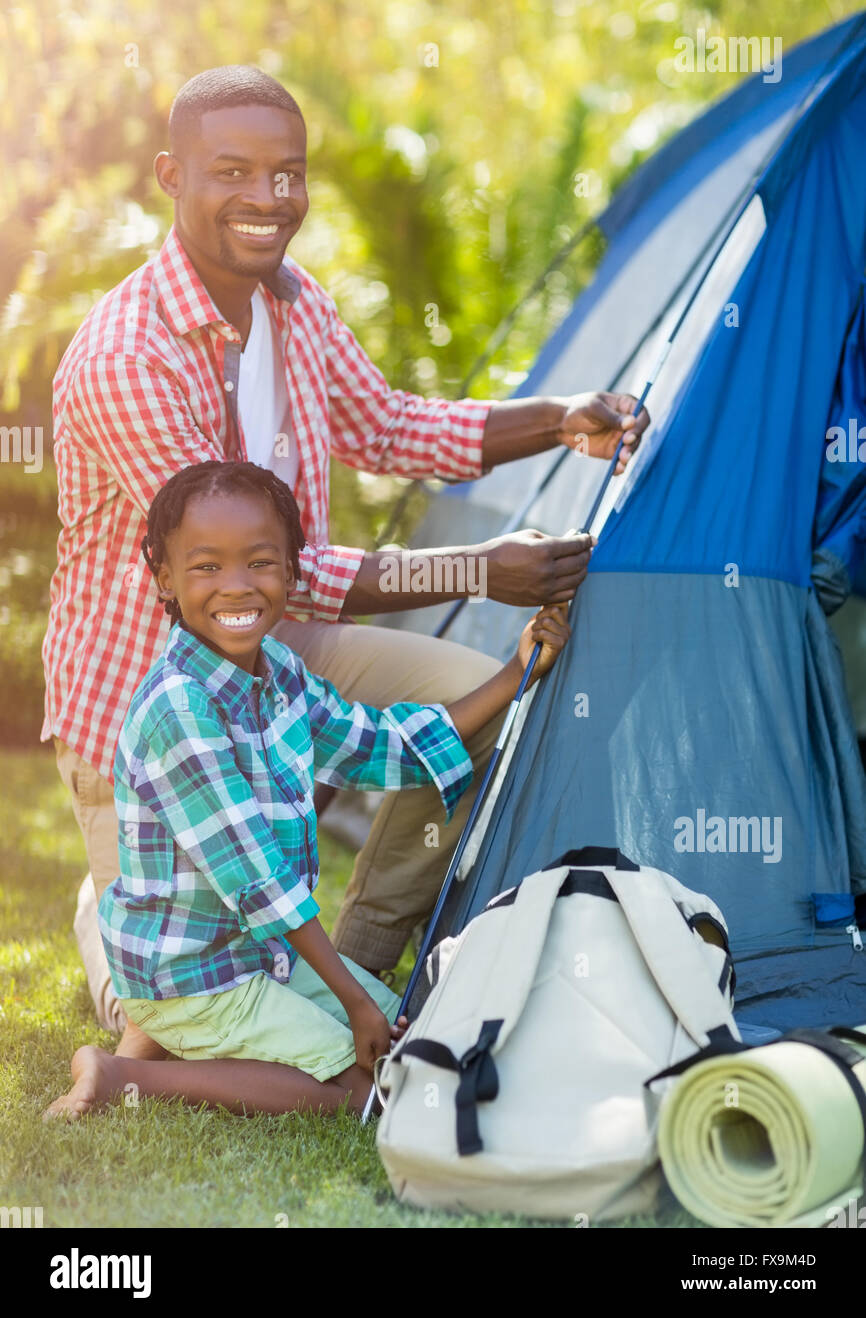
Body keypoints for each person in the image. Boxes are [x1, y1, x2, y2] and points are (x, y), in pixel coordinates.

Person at [42, 64, 647, 1054]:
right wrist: (475, 570)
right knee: (165, 1026)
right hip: (151, 709)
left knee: (476, 711)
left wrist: (557, 417)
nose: (267, 200)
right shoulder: (127, 356)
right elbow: (244, 567)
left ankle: (361, 951)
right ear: (170, 176)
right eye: (232, 172)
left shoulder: (294, 304)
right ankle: (109, 935)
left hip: (285, 659)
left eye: (287, 175)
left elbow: (387, 422)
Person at [45, 461, 570, 1121]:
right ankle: (125, 1074)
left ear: (292, 574)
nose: (236, 586)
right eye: (206, 567)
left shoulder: (282, 673)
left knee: (411, 1037)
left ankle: (208, 1047)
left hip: (258, 959)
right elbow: (260, 883)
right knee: (366, 1093)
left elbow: (380, 745)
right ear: (165, 580)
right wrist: (351, 997)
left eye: (260, 563)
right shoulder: (179, 709)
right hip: (189, 978)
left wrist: (516, 671)